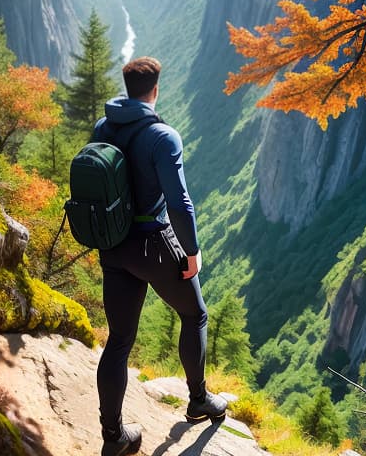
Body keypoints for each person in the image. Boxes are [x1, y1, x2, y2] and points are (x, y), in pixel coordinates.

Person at [94, 56, 227, 456]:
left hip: (113, 243)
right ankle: (199, 400)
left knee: (118, 341)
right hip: (152, 242)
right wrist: (192, 251)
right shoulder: (163, 136)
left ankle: (114, 436)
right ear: (155, 90)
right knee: (195, 314)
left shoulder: (103, 126)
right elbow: (179, 203)